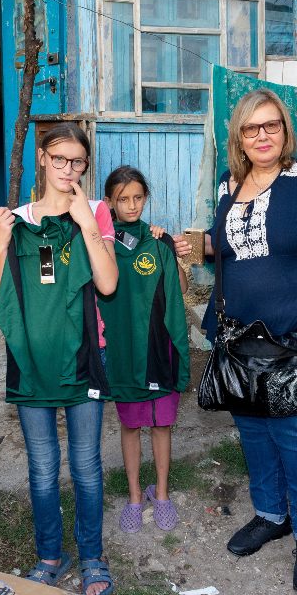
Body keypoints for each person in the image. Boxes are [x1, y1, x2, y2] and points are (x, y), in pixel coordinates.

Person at [174, 88, 297, 594]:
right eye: (252, 128)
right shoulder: (229, 187)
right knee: (255, 435)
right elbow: (234, 251)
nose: (262, 136)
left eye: (271, 125)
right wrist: (199, 244)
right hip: (237, 342)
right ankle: (272, 515)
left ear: (285, 130)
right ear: (238, 136)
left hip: (295, 342)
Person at [0, 123, 118, 595]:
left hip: (86, 353)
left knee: (85, 462)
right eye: (60, 159)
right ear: (42, 158)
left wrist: (86, 223)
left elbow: (107, 284)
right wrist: (0, 244)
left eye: (78, 162)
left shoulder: (97, 211)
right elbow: (2, 294)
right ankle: (50, 555)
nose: (68, 170)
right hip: (32, 358)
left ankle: (92, 556)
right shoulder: (18, 220)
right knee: (42, 466)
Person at [98, 166, 190, 534]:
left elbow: (180, 288)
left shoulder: (158, 240)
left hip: (159, 347)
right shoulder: (102, 244)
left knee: (162, 424)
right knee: (131, 424)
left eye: (138, 198)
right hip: (123, 352)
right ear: (110, 203)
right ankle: (135, 496)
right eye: (123, 199)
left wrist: (172, 248)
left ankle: (161, 493)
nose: (132, 205)